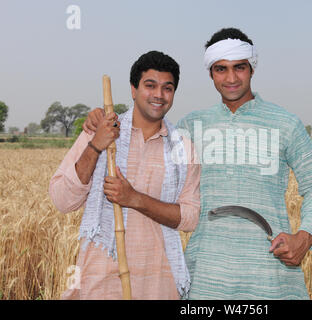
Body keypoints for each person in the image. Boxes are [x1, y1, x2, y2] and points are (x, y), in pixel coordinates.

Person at [83, 28, 312, 300]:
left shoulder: (286, 124)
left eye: (240, 67)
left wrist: (304, 238)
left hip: (271, 276)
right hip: (206, 279)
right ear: (211, 74)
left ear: (252, 69)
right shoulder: (190, 127)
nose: (231, 78)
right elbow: (146, 150)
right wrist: (102, 120)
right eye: (221, 69)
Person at [49, 50, 201, 300]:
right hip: (100, 283)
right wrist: (96, 145)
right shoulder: (101, 132)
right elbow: (62, 200)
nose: (159, 95)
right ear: (133, 89)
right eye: (150, 86)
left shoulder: (184, 149)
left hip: (158, 285)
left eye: (167, 88)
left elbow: (190, 218)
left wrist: (134, 199)